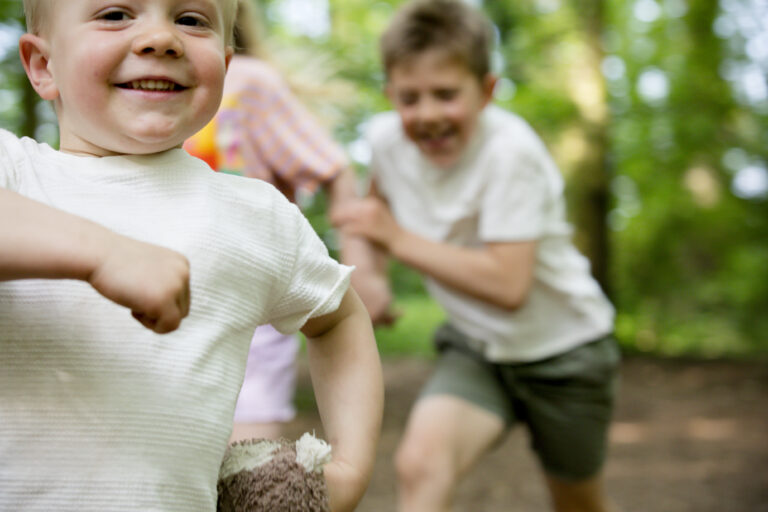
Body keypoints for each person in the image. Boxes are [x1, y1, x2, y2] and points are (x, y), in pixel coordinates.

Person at [0, 1, 383, 511]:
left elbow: (340, 319)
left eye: (190, 20)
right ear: (43, 65)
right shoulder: (17, 173)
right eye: (115, 14)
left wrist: (350, 468)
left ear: (224, 65)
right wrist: (101, 252)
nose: (161, 38)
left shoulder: (257, 215)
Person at [332, 1, 619, 511]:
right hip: (477, 348)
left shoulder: (511, 154)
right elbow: (369, 217)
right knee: (420, 464)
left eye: (446, 94)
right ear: (390, 95)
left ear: (487, 90)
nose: (428, 115)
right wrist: (369, 277)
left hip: (565, 353)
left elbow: (508, 286)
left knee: (578, 504)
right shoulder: (385, 141)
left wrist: (396, 240)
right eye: (410, 98)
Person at [184, 0, 392, 442]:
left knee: (246, 462)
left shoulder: (248, 82)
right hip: (166, 308)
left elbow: (332, 168)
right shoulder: (133, 85)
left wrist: (363, 273)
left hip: (250, 308)